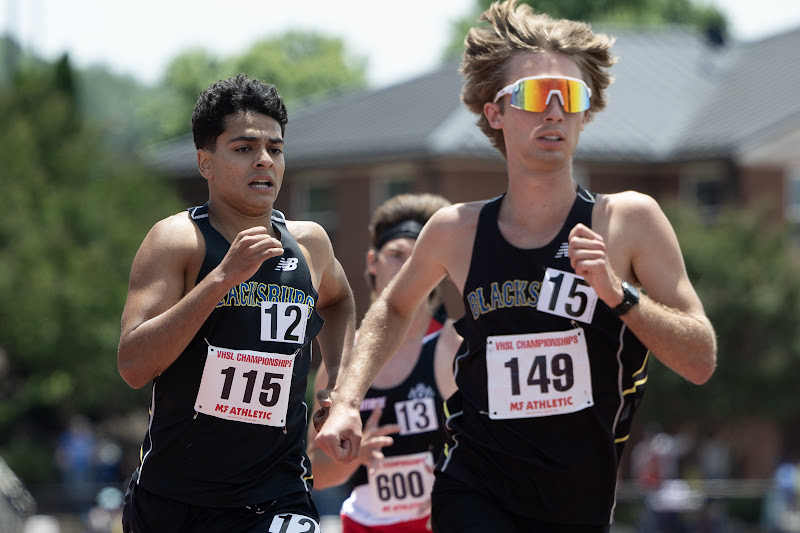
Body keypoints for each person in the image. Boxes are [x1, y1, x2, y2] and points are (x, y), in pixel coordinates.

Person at [313, 1, 717, 532]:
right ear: (494, 113)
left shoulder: (630, 222)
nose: (553, 111)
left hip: (579, 501)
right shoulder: (456, 231)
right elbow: (393, 308)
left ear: (586, 111)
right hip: (475, 487)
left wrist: (620, 294)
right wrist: (346, 402)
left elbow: (700, 359)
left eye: (569, 96)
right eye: (532, 95)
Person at [117, 74, 356, 532]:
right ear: (205, 162)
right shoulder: (177, 241)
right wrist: (222, 279)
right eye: (244, 148)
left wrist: (337, 389)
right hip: (175, 501)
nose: (264, 160)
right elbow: (133, 364)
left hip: (278, 493)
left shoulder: (309, 243)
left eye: (275, 148)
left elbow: (340, 300)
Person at [307, 193, 461, 532]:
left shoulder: (453, 346)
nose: (406, 267)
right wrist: (353, 458)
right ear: (372, 262)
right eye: (396, 255)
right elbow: (312, 472)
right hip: (364, 524)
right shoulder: (344, 360)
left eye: (417, 257)